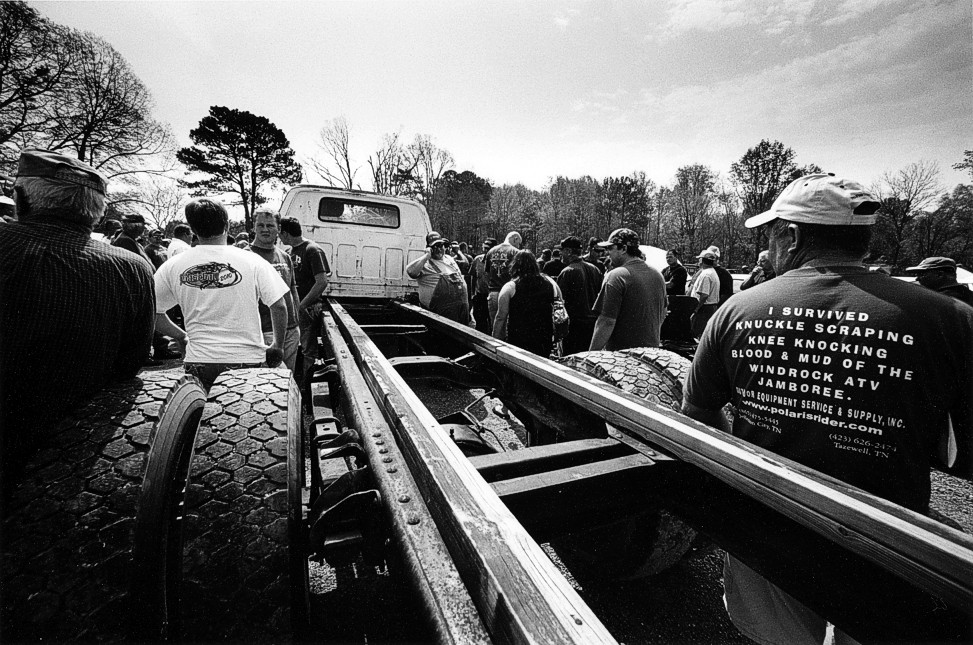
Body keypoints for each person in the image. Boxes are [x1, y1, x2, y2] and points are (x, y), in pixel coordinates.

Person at [681, 173, 973, 645]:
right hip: (889, 543)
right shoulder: (951, 319)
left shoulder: (737, 311)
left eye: (771, 234)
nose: (769, 246)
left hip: (767, 527)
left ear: (792, 236)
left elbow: (698, 418)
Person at [0, 149, 155, 506]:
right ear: (97, 212)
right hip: (70, 452)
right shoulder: (131, 268)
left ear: (21, 198)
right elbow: (130, 364)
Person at [154, 198, 289, 390]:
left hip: (199, 361)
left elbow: (152, 312)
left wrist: (181, 336)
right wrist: (277, 346)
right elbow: (279, 306)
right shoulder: (252, 261)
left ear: (192, 229)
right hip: (247, 361)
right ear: (226, 225)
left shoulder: (173, 265)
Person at [590, 228, 667, 351]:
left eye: (610, 248)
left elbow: (606, 321)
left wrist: (591, 355)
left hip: (622, 358)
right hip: (651, 356)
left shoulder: (616, 276)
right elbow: (663, 313)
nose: (607, 253)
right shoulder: (658, 275)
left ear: (624, 249)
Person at [249, 208, 302, 371]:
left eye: (270, 225)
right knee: (271, 381)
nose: (265, 230)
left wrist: (297, 321)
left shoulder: (285, 256)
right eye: (261, 225)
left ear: (279, 228)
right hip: (265, 331)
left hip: (291, 330)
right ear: (254, 228)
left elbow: (292, 290)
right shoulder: (246, 256)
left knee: (288, 379)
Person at [279, 216, 330, 381]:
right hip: (293, 308)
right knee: (293, 346)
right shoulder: (289, 253)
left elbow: (321, 282)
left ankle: (306, 385)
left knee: (308, 349)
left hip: (307, 308)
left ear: (285, 233)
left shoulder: (312, 250)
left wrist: (302, 305)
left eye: (280, 233)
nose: (278, 237)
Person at [492, 249, 562, 358]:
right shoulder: (551, 283)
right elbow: (560, 309)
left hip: (518, 341)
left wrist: (495, 343)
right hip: (544, 340)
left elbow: (501, 317)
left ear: (514, 265)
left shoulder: (510, 287)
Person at [406, 231, 470, 324]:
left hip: (462, 310)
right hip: (441, 315)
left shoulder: (449, 259)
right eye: (434, 247)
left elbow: (465, 264)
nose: (438, 249)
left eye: (441, 245)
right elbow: (411, 272)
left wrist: (458, 251)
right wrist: (426, 256)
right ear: (429, 249)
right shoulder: (425, 264)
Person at [556, 236, 603, 354]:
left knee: (571, 364)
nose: (560, 253)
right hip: (592, 327)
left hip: (574, 328)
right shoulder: (595, 269)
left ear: (569, 251)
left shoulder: (568, 272)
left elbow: (559, 304)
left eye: (562, 250)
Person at [484, 231, 522, 328]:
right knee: (509, 328)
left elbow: (487, 274)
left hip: (493, 293)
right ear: (515, 239)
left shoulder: (491, 251)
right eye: (518, 243)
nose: (518, 246)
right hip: (509, 294)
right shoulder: (516, 252)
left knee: (496, 326)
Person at [905, 256, 973, 308]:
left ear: (940, 275)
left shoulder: (934, 300)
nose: (917, 278)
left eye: (922, 274)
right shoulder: (969, 295)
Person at [689, 248, 721, 338]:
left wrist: (696, 310)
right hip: (709, 308)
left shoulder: (706, 274)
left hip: (704, 309)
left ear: (702, 260)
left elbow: (704, 295)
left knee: (699, 335)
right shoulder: (712, 272)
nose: (698, 261)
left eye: (699, 259)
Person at [469, 238, 497, 334]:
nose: (485, 251)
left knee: (492, 324)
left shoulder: (497, 263)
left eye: (488, 248)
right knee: (479, 323)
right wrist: (472, 294)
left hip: (491, 297)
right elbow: (473, 276)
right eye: (484, 248)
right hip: (479, 296)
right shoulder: (477, 260)